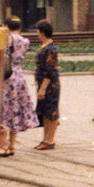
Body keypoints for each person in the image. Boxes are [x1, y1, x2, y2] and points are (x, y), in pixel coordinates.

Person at [0, 17, 38, 156]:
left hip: (6, 76)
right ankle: (12, 145)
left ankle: (3, 146)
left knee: (4, 110)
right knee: (15, 110)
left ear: (6, 27)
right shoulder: (25, 41)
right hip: (19, 76)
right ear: (19, 27)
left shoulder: (6, 40)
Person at [33, 20, 60, 150]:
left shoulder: (51, 49)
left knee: (51, 112)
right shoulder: (44, 47)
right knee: (44, 112)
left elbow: (49, 72)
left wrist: (43, 88)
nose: (37, 34)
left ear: (42, 32)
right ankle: (45, 139)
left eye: (38, 31)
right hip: (43, 84)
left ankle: (50, 140)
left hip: (50, 85)